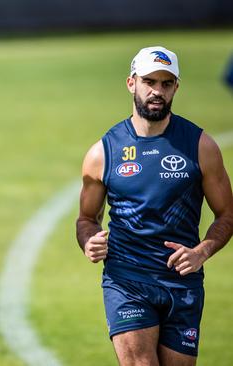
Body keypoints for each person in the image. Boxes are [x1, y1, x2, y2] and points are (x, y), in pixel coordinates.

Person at [76, 46, 233, 365]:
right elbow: (86, 218)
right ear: (131, 83)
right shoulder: (103, 152)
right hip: (126, 279)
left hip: (182, 283)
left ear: (176, 87)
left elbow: (227, 214)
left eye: (166, 83)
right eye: (149, 81)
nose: (157, 91)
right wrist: (88, 241)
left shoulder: (201, 146)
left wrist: (202, 251)